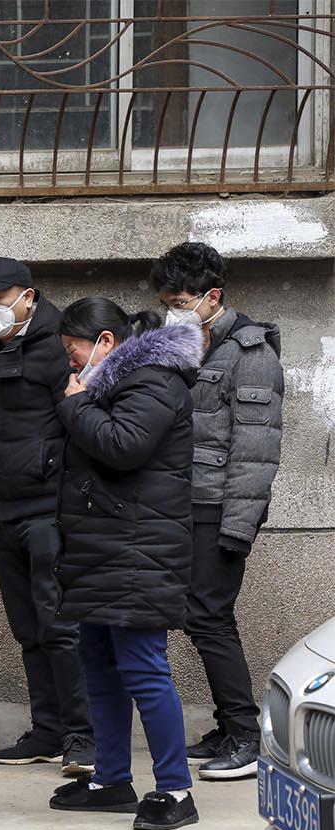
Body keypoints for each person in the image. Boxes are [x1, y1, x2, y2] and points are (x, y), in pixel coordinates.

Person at [48, 298, 203, 830]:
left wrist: (75, 404)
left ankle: (176, 790)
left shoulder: (154, 381)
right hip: (104, 547)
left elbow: (124, 446)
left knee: (142, 668)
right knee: (99, 666)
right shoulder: (115, 384)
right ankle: (111, 779)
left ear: (106, 343)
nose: (71, 364)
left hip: (140, 550)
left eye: (75, 352)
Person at [0, 258, 93, 775]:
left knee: (61, 626)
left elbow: (80, 424)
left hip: (50, 510)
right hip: (3, 511)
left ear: (28, 297)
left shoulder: (61, 348)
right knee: (27, 628)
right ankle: (49, 729)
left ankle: (85, 734)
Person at [151, 242, 283, 781]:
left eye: (181, 300)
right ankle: (230, 727)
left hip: (219, 510)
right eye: (167, 301)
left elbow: (257, 450)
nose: (173, 310)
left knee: (209, 617)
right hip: (184, 504)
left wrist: (237, 527)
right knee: (196, 616)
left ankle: (247, 735)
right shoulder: (188, 344)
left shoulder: (250, 355)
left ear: (213, 297)